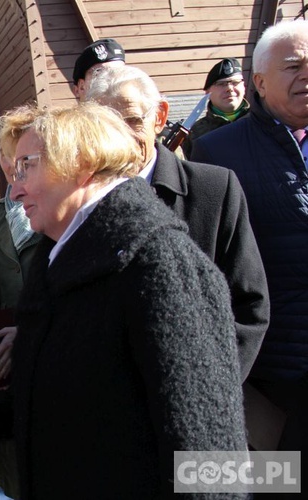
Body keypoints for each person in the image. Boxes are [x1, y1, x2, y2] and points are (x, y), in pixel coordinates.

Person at [0, 102, 247, 498]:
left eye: (25, 167)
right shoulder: (60, 260)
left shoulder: (159, 262)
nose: (14, 190)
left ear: (80, 161)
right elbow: (65, 403)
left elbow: (209, 454)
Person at [86, 65, 269, 382]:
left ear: (159, 117)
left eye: (132, 121)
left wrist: (212, 391)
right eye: (106, 125)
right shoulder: (78, 202)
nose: (121, 137)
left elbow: (249, 305)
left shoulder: (213, 190)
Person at [191, 19, 308, 456]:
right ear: (259, 81)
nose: (306, 76)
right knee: (274, 483)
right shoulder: (218, 152)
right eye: (293, 66)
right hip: (270, 375)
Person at [0, 109, 43, 499]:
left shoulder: (58, 208)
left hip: (47, 344)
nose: (10, 166)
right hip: (4, 358)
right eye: (6, 156)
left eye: (21, 158)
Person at [181, 58, 250, 158]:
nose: (229, 88)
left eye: (235, 82)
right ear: (208, 92)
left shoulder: (261, 121)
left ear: (244, 87)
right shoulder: (195, 133)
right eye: (221, 84)